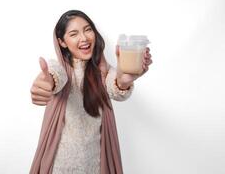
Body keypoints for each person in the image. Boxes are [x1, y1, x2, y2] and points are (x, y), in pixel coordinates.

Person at [29, 10, 152, 174]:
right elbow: (54, 76)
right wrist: (45, 83)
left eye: (88, 30)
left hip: (95, 165)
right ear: (62, 42)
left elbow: (115, 86)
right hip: (60, 166)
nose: (84, 38)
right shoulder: (59, 69)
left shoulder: (104, 71)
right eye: (74, 34)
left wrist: (124, 81)